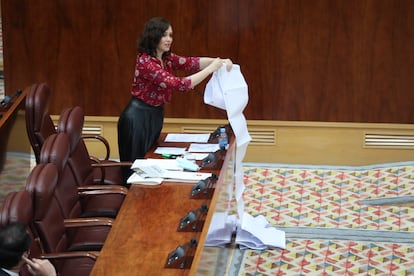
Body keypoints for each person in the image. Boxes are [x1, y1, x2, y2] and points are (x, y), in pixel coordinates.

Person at [117, 17, 233, 182]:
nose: (169, 39)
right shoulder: (146, 62)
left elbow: (191, 63)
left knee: (150, 160)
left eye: (171, 35)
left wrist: (217, 62)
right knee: (136, 168)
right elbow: (179, 84)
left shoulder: (165, 58)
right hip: (137, 118)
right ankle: (127, 203)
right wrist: (210, 70)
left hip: (154, 114)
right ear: (154, 36)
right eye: (164, 35)